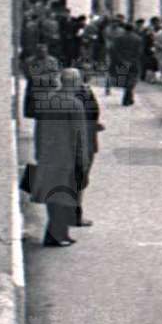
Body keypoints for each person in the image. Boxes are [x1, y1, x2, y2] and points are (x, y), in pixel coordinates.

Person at [28, 67, 89, 248]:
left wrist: (38, 152)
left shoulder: (47, 100)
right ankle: (57, 234)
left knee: (52, 196)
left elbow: (38, 129)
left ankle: (56, 233)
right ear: (75, 83)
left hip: (47, 155)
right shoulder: (74, 104)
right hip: (66, 157)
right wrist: (82, 161)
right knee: (64, 196)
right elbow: (79, 135)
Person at [63, 67, 101, 228]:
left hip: (67, 143)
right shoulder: (85, 93)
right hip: (83, 143)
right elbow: (94, 114)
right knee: (80, 178)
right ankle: (75, 214)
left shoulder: (56, 96)